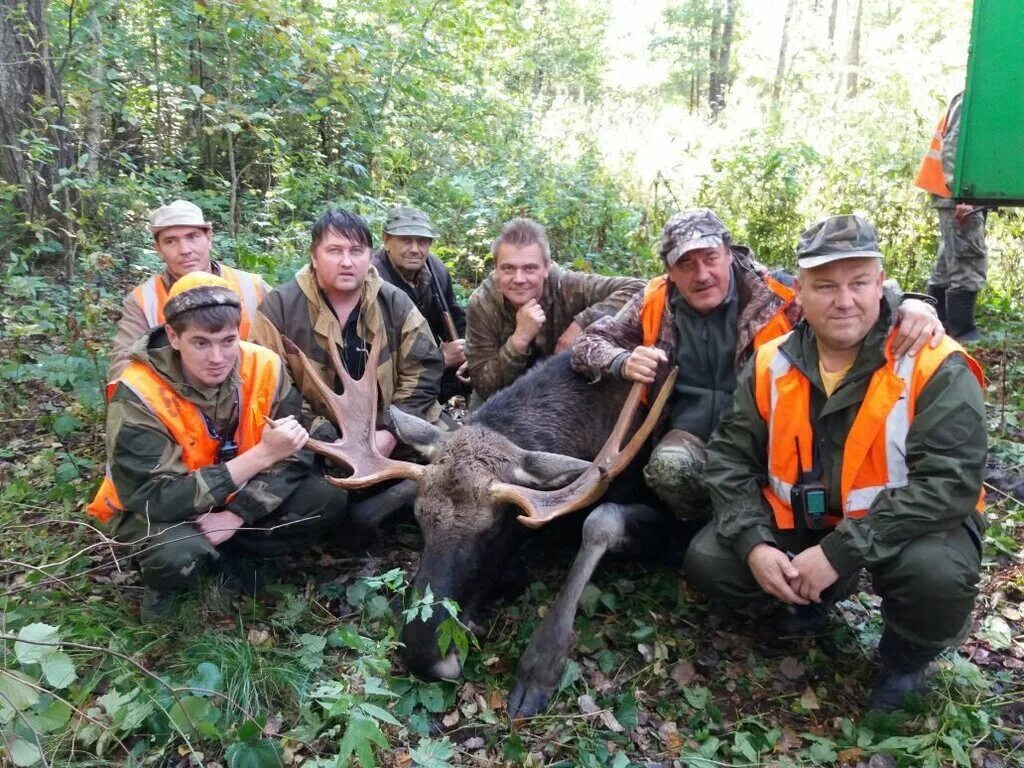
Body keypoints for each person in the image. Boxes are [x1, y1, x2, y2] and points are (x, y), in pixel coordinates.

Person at [684, 214, 985, 711]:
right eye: (824, 286)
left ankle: (905, 659)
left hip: (906, 529)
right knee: (712, 559)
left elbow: (948, 485)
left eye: (858, 283)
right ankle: (807, 601)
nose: (844, 301)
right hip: (807, 522)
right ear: (798, 292)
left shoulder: (934, 362)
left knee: (938, 574)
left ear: (881, 284)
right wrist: (756, 544)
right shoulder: (770, 360)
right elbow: (729, 459)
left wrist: (839, 553)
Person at [571, 208, 944, 520]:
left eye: (710, 258)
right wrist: (622, 359)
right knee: (668, 470)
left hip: (768, 437)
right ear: (669, 270)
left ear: (728, 252)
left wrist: (914, 304)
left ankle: (757, 525)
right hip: (689, 435)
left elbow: (854, 300)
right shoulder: (653, 300)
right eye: (686, 264)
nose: (701, 275)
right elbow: (587, 342)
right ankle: (700, 528)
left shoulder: (775, 294)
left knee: (783, 484)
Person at [87, 273, 349, 621]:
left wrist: (237, 514)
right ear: (173, 337)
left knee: (327, 499)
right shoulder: (138, 393)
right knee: (177, 553)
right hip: (162, 508)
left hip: (235, 497)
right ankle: (167, 589)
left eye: (228, 341)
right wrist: (261, 455)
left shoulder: (264, 366)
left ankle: (233, 557)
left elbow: (296, 448)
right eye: (201, 343)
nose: (217, 357)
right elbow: (155, 497)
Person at [252, 209, 443, 451]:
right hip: (310, 438)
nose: (346, 262)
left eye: (356, 251)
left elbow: (424, 370)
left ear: (370, 256)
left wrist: (391, 431)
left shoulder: (395, 302)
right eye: (334, 251)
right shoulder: (279, 307)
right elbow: (269, 386)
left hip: (388, 430)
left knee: (464, 459)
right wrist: (329, 440)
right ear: (314, 256)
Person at [465, 217, 644, 401]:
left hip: (566, 387)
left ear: (546, 267)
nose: (519, 279)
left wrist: (582, 323)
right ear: (496, 269)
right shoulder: (482, 304)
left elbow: (639, 289)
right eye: (508, 268)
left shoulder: (568, 286)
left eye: (529, 268)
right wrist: (519, 340)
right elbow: (484, 386)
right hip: (505, 395)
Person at [107, 200, 270, 384]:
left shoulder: (253, 287)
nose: (185, 250)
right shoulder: (143, 300)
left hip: (252, 397)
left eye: (192, 237)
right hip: (176, 404)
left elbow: (289, 353)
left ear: (209, 237)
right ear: (158, 249)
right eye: (171, 241)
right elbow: (123, 370)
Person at [372, 206, 468, 403]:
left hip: (431, 368)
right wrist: (439, 358)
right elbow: (381, 353)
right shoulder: (372, 281)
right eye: (406, 240)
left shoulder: (436, 270)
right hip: (390, 379)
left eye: (422, 241)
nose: (415, 249)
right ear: (386, 240)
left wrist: (467, 350)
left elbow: (456, 319)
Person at [916, 91, 987, 341]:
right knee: (968, 257)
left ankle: (938, 321)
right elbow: (953, 148)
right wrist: (961, 196)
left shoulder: (971, 96)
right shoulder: (973, 97)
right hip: (956, 195)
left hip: (952, 193)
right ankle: (962, 330)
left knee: (949, 260)